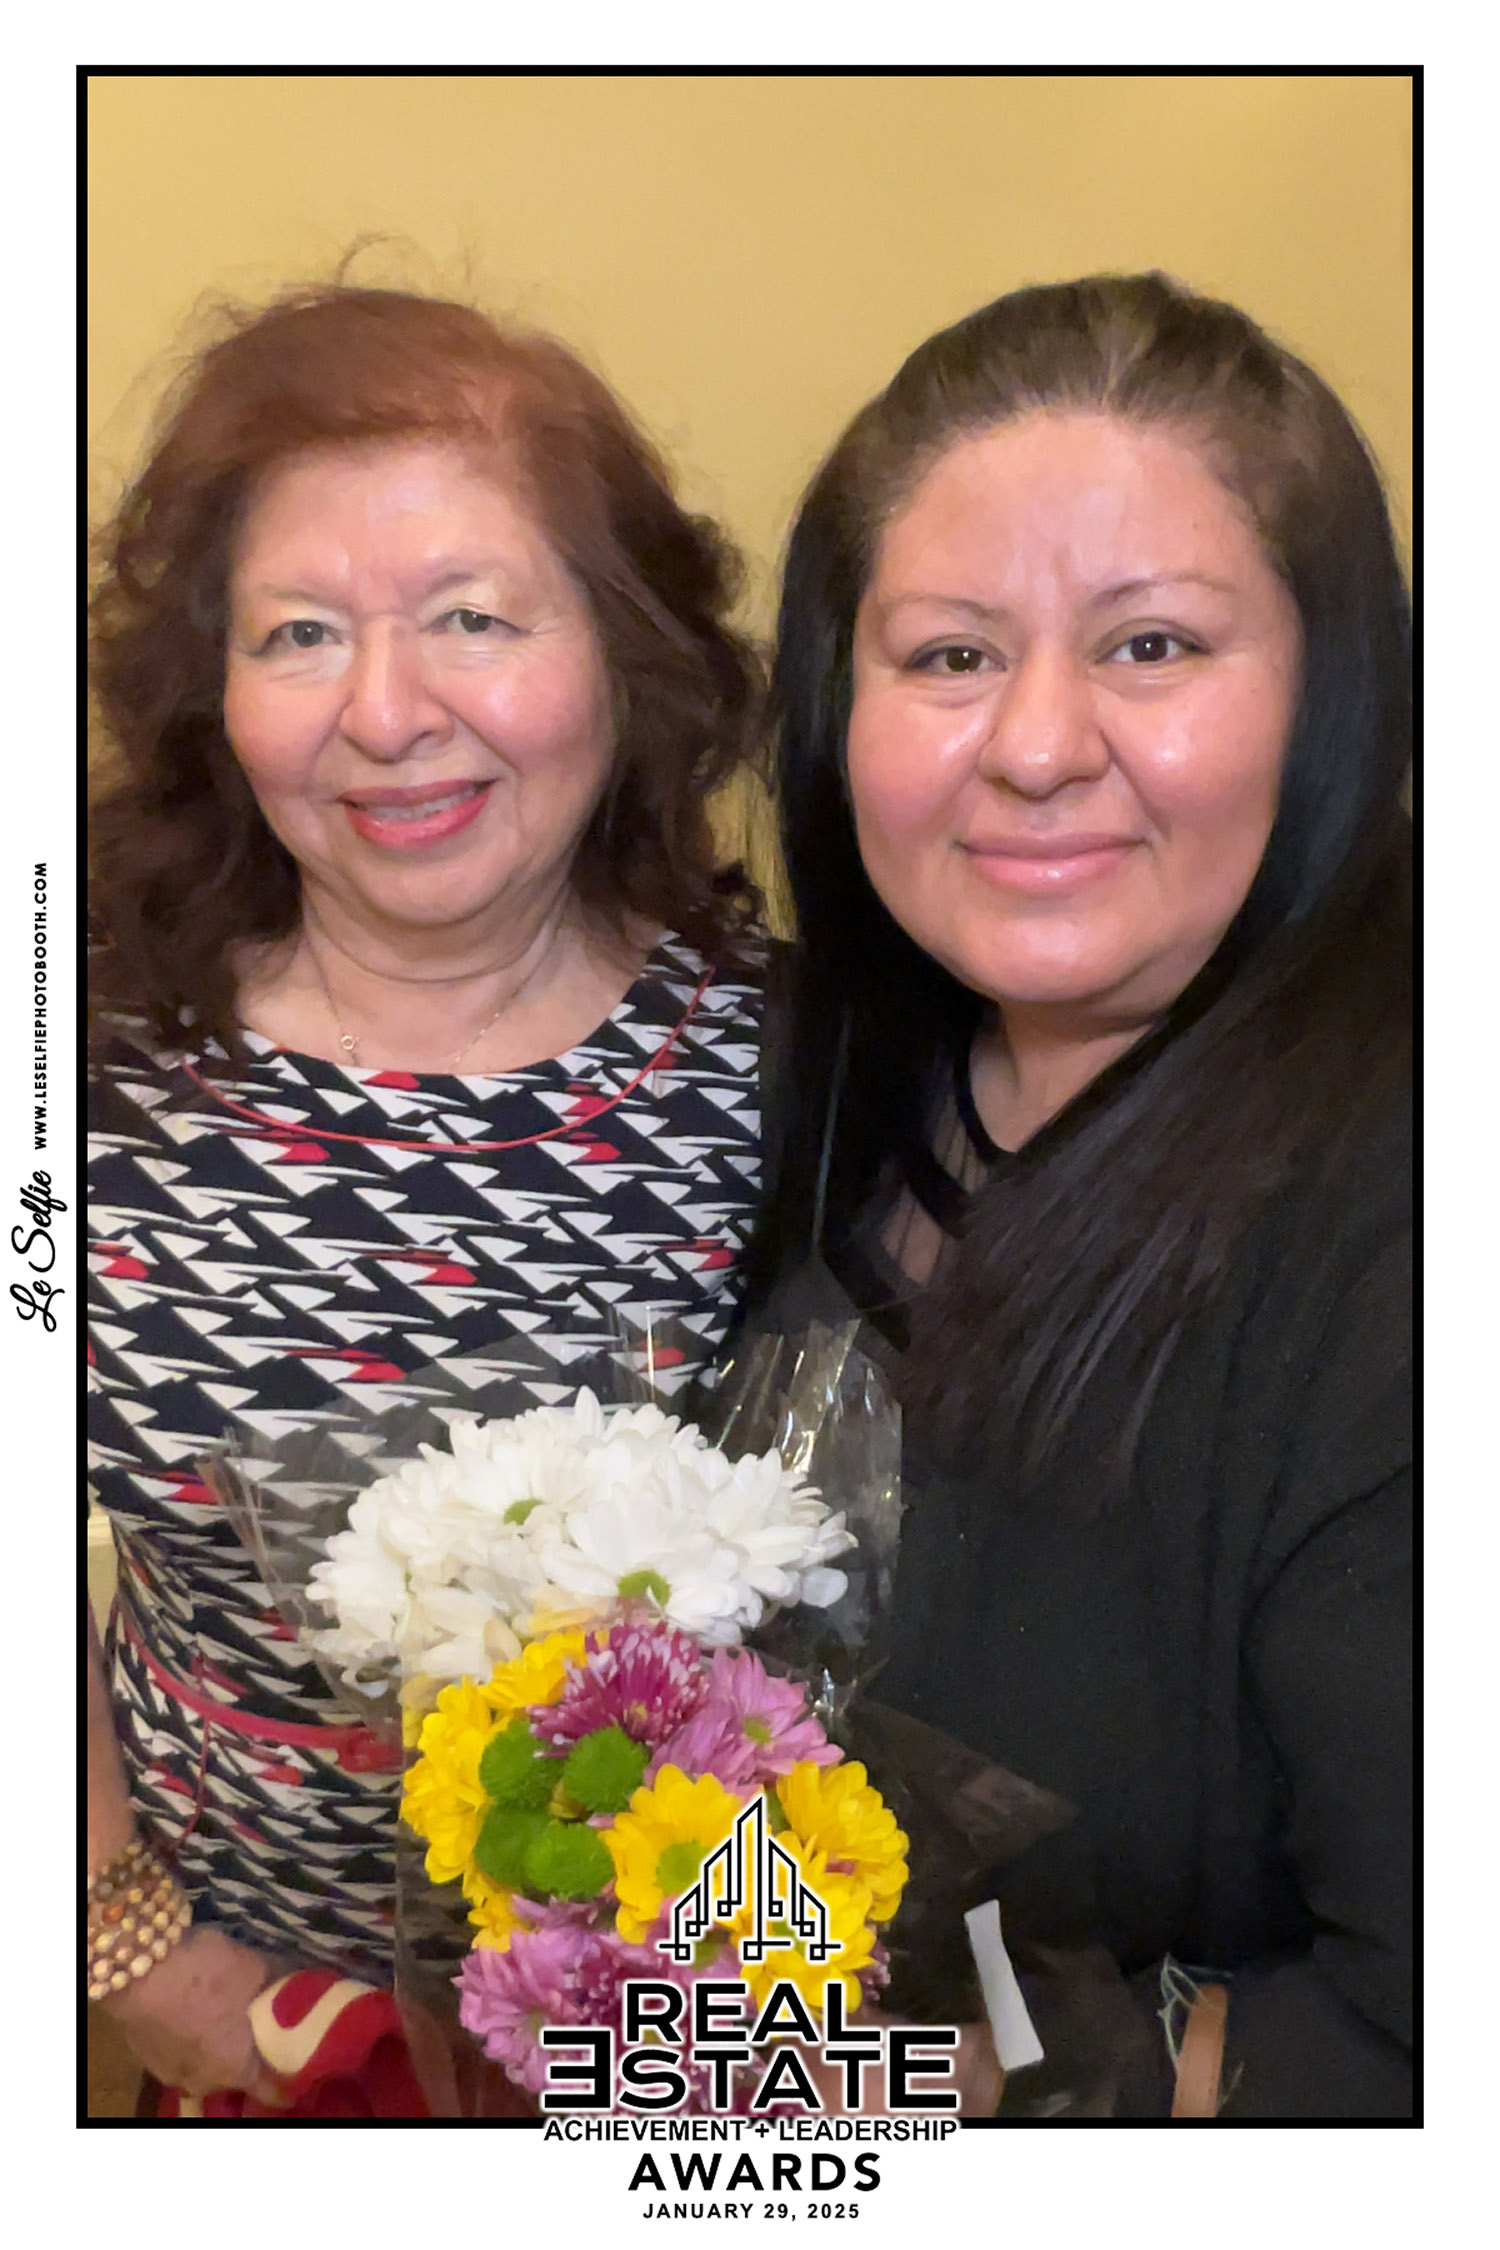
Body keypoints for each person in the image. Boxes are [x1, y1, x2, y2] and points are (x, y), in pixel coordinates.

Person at [87, 284, 768, 2116]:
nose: (386, 712)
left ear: (624, 656)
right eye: (300, 633)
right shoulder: (77, 1049)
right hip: (241, 2027)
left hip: (690, 2032)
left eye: (473, 615)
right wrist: (125, 1934)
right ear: (214, 694)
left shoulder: (792, 1063)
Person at [746, 272, 1411, 2118]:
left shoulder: (1405, 1240)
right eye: (951, 657)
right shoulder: (831, 1078)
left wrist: (929, 2084)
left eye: (1152, 645)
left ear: (1334, 692)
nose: (1035, 745)